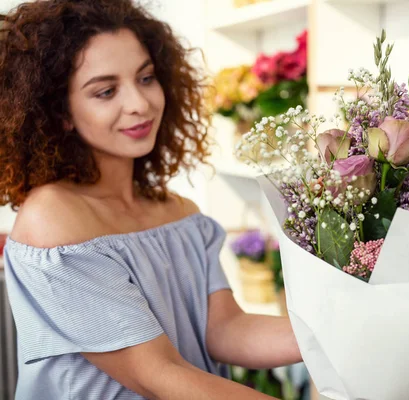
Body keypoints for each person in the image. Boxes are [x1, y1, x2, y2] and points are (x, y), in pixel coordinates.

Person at [0, 0, 302, 398]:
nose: (140, 104)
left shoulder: (178, 213)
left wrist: (343, 331)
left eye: (145, 78)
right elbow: (157, 374)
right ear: (60, 113)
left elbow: (226, 329)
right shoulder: (53, 218)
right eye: (106, 91)